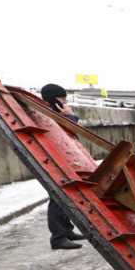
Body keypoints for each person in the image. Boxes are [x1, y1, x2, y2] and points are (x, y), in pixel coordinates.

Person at [40, 84, 87, 250]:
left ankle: (66, 231)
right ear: (53, 99)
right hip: (54, 161)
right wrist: (70, 117)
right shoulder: (45, 114)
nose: (65, 102)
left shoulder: (47, 112)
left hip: (57, 160)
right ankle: (58, 238)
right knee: (57, 197)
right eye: (62, 98)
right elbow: (68, 134)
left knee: (63, 196)